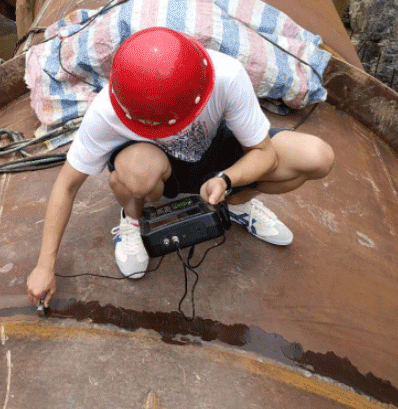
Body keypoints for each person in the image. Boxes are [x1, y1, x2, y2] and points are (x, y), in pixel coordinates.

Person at [26, 27, 334, 307]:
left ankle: (237, 206)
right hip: (159, 172)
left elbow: (264, 153)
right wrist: (44, 266)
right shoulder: (107, 110)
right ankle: (133, 220)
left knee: (316, 156)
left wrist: (227, 180)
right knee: (138, 172)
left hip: (216, 157)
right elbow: (66, 185)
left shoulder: (226, 75)